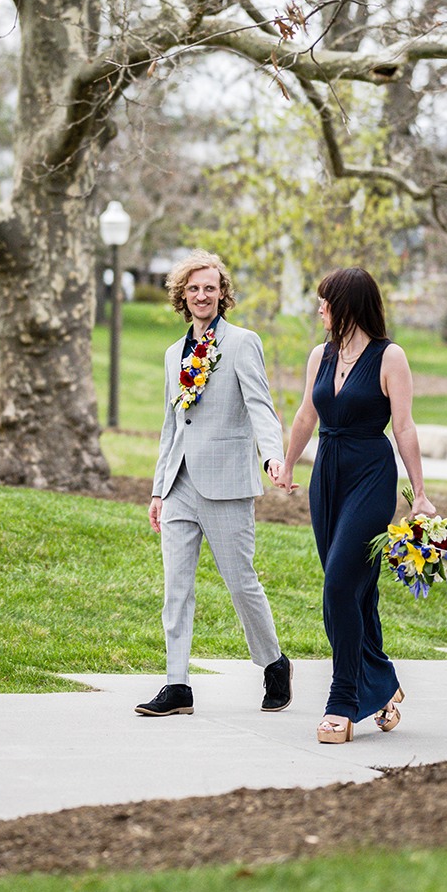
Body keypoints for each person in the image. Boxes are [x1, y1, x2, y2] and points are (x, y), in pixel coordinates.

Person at [269, 266, 436, 743]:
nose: (319, 308)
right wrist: (287, 464)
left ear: (347, 305)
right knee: (358, 591)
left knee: (340, 583)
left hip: (370, 474)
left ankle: (343, 698)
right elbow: (306, 414)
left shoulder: (390, 356)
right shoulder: (320, 355)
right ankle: (383, 684)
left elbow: (403, 427)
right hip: (327, 478)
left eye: (325, 301)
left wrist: (419, 494)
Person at [136, 250, 292, 717]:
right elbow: (172, 424)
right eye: (193, 288)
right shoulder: (172, 354)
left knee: (241, 583)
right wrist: (159, 489)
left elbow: (262, 407)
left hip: (227, 484)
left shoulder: (243, 343)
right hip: (180, 484)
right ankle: (177, 685)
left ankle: (273, 662)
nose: (202, 295)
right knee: (176, 589)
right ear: (182, 296)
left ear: (222, 293)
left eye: (210, 288)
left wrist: (273, 456)